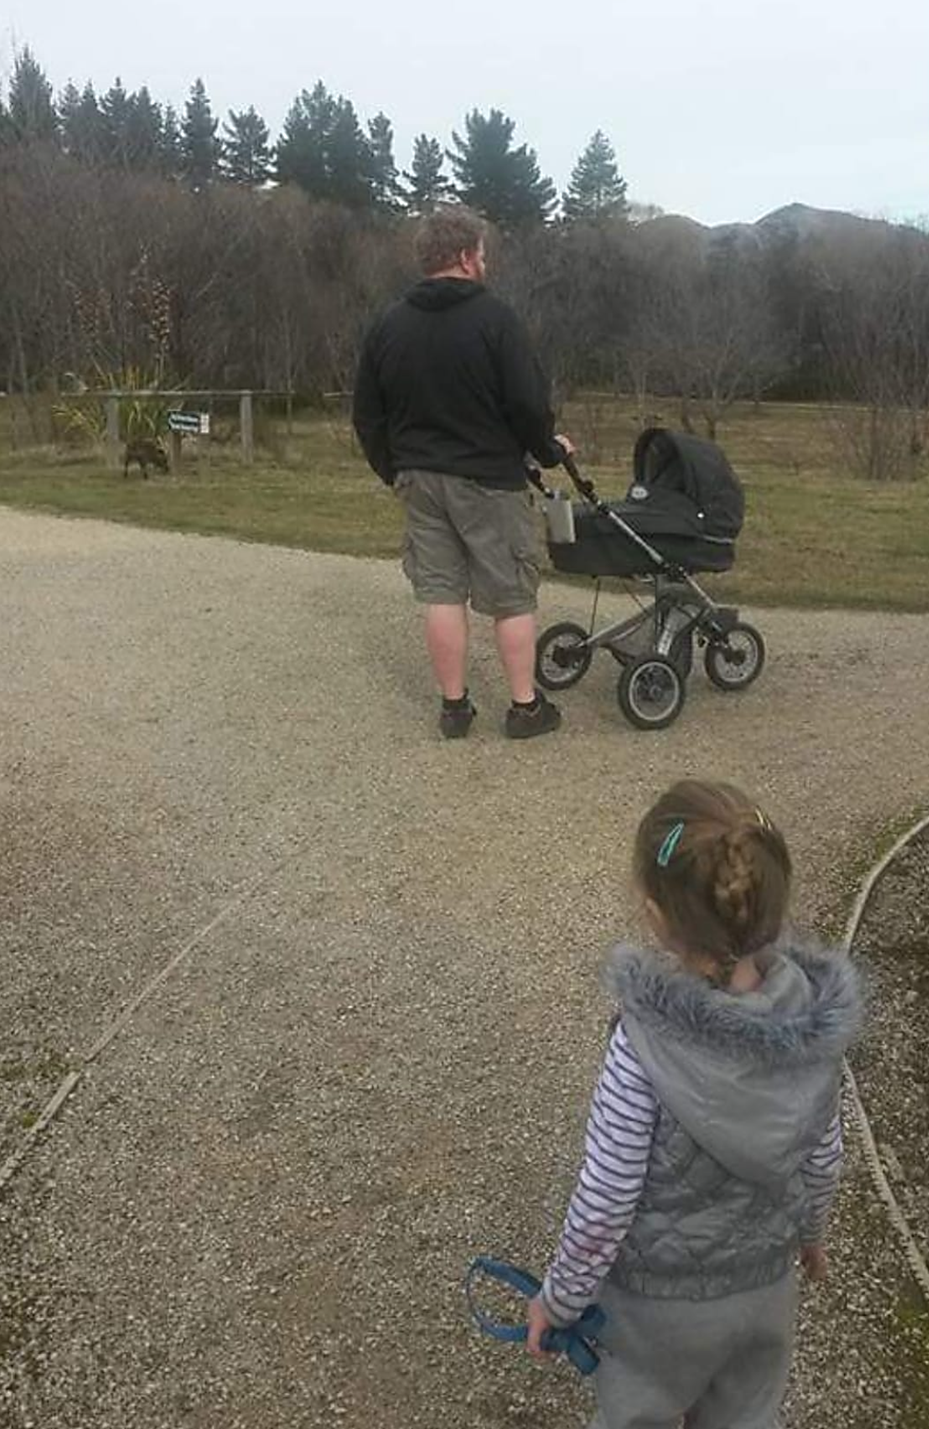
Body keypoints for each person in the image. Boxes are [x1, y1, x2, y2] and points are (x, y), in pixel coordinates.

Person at [526, 779, 861, 1429]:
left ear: (653, 915)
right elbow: (824, 1155)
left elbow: (605, 1197)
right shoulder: (816, 1029)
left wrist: (559, 1299)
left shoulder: (642, 1044)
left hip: (658, 1308)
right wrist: (811, 1234)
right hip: (764, 1288)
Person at [352, 205, 573, 740]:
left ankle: (454, 708)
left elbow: (367, 414)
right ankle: (525, 708)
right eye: (483, 253)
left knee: (442, 592)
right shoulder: (495, 320)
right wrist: (548, 449)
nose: (485, 262)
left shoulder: (389, 324)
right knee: (511, 592)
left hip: (419, 478)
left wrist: (394, 469)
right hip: (489, 480)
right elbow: (526, 403)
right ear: (467, 257)